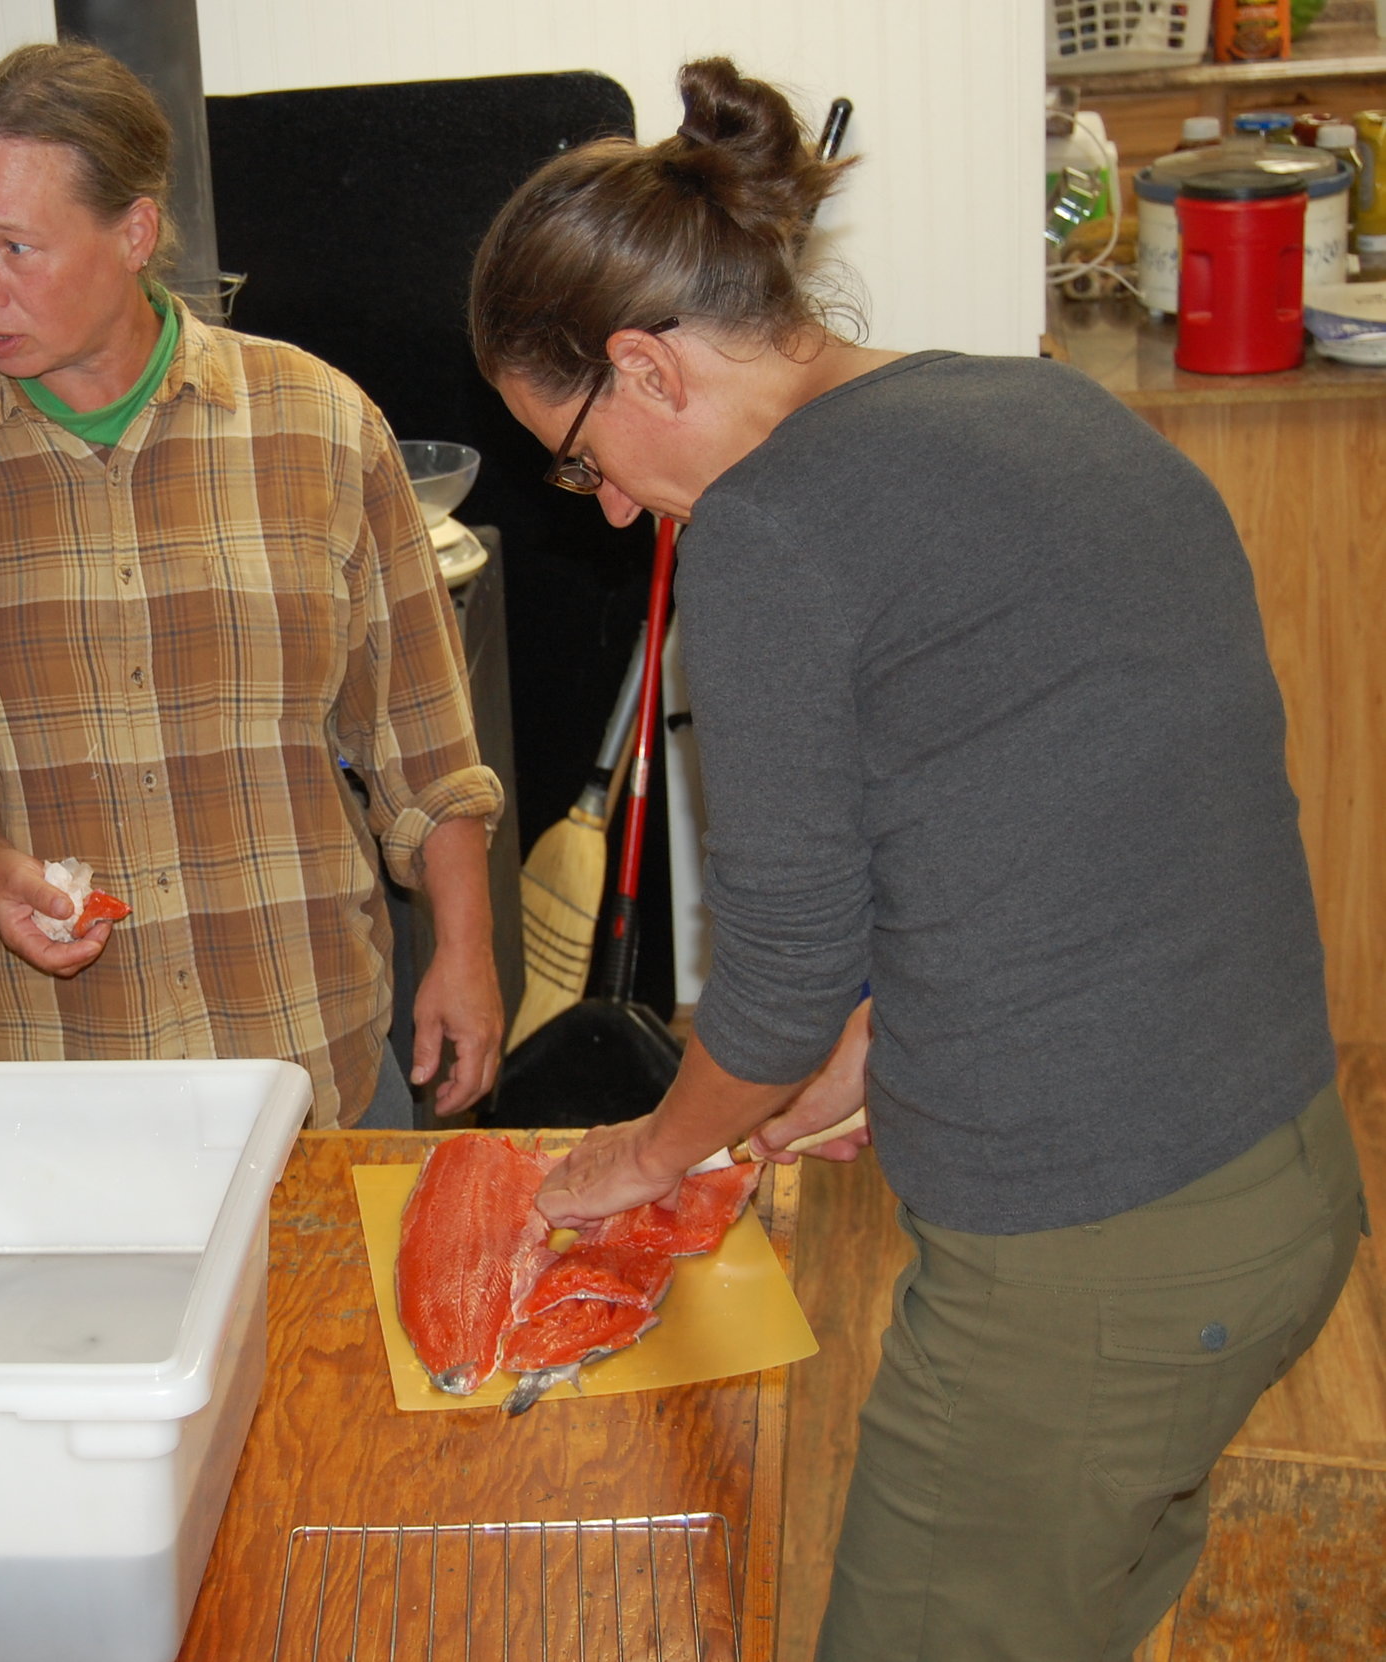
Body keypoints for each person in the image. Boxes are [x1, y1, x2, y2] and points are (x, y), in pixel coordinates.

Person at [469, 59, 1363, 1660]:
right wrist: (879, 1043)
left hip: (1089, 1261)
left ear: (644, 367)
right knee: (1080, 1604)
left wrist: (641, 1154)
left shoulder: (769, 534)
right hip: (1277, 1182)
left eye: (578, 457)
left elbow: (782, 974)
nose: (604, 511)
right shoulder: (1028, 403)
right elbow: (1072, 804)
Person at [0, 43, 505, 1131]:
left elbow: (424, 739)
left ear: (133, 234)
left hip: (301, 1046)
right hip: (31, 1076)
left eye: (16, 248)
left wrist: (464, 953)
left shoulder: (316, 427)